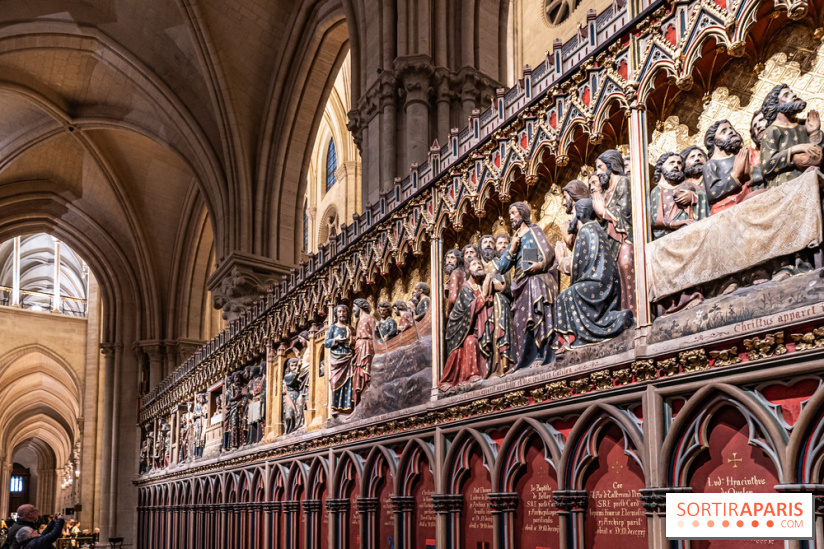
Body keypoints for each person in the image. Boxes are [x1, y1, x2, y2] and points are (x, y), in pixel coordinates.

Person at [554, 199, 634, 348]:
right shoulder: (595, 228)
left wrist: (561, 261)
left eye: (572, 213)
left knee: (563, 298)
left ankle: (569, 343)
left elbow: (576, 266)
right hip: (604, 284)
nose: (570, 218)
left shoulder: (586, 230)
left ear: (579, 214)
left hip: (598, 285)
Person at [496, 201, 559, 369]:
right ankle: (525, 359)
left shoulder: (534, 231)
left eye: (514, 213)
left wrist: (541, 265)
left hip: (535, 280)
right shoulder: (514, 238)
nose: (511, 217)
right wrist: (512, 249)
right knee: (520, 321)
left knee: (536, 314)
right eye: (510, 214)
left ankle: (541, 355)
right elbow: (501, 267)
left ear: (523, 214)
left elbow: (549, 252)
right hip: (520, 284)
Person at [591, 149, 636, 317]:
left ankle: (634, 311)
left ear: (611, 165)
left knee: (626, 265)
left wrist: (603, 212)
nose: (597, 172)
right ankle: (622, 312)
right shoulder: (606, 191)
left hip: (626, 237)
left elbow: (625, 211)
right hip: (612, 242)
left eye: (600, 167)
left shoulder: (623, 182)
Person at [440, 259, 490, 388]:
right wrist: (483, 295)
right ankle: (468, 376)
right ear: (468, 270)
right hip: (458, 328)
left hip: (477, 327)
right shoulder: (466, 288)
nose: (478, 266)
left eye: (480, 264)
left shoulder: (481, 286)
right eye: (474, 264)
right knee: (468, 342)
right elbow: (470, 308)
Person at [760, 83, 822, 187]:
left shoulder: (805, 124)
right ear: (775, 106)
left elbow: (818, 153)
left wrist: (814, 132)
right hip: (787, 185)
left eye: (792, 92)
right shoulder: (772, 131)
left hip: (815, 180)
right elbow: (766, 167)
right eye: (786, 95)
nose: (793, 95)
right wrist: (794, 150)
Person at [648, 152, 709, 239]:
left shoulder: (689, 186)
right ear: (661, 167)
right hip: (666, 236)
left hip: (691, 232)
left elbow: (704, 198)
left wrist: (693, 197)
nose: (676, 165)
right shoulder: (657, 190)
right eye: (672, 163)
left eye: (679, 163)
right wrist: (676, 224)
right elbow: (654, 219)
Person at [703, 119, 756, 213]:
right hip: (725, 209)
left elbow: (761, 172)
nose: (731, 131)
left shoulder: (742, 155)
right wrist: (735, 175)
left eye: (731, 129)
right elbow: (712, 193)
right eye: (723, 131)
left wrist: (749, 173)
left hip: (749, 200)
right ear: (713, 141)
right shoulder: (710, 164)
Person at [326, 304, 355, 413]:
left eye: (344, 311)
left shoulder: (350, 328)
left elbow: (355, 341)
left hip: (348, 358)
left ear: (347, 313)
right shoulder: (333, 328)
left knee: (348, 381)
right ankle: (335, 407)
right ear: (336, 314)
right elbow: (326, 343)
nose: (342, 313)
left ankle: (347, 407)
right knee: (335, 382)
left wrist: (351, 339)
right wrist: (336, 340)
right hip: (336, 359)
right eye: (339, 311)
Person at [351, 299, 375, 401]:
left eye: (354, 307)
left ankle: (368, 398)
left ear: (360, 306)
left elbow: (375, 335)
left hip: (367, 348)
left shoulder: (370, 318)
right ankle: (361, 399)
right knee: (358, 374)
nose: (353, 310)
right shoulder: (359, 321)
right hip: (359, 349)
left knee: (366, 372)